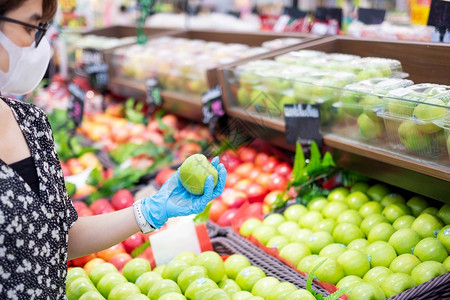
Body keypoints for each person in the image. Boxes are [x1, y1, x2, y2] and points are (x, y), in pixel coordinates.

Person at [0, 0, 227, 298]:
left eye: (43, 30)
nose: (38, 44)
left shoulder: (31, 122)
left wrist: (150, 211)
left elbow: (58, 237)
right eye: (32, 26)